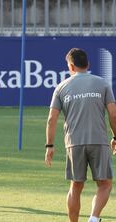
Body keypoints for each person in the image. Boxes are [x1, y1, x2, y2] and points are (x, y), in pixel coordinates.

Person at [45, 48, 116, 222]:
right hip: (99, 140)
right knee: (105, 184)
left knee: (76, 186)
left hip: (74, 143)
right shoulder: (102, 83)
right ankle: (93, 218)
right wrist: (115, 137)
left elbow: (51, 119)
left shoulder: (61, 87)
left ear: (70, 66)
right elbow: (113, 114)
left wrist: (50, 146)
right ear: (88, 64)